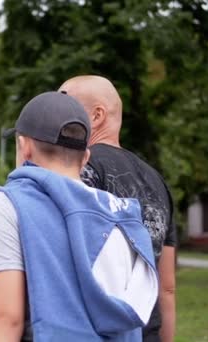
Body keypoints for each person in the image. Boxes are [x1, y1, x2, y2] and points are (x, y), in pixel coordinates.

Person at [0, 91, 159, 341]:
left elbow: (4, 318)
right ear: (85, 157)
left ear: (24, 147)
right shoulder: (125, 218)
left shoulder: (9, 205)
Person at [59, 76, 177, 342]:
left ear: (97, 115)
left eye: (65, 104)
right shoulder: (158, 182)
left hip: (97, 330)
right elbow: (166, 288)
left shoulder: (81, 169)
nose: (56, 114)